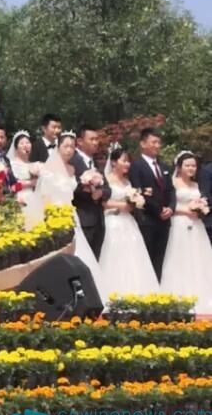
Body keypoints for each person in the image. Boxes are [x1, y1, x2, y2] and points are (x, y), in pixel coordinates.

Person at [26, 132, 108, 302]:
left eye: (72, 147)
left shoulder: (73, 169)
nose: (69, 150)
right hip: (56, 215)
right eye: (65, 146)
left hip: (72, 213)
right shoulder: (48, 169)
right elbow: (43, 195)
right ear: (58, 147)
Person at [98, 147, 160, 297]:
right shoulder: (106, 179)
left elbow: (133, 200)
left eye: (129, 161)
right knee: (115, 255)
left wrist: (136, 201)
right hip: (113, 220)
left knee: (133, 255)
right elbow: (103, 203)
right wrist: (123, 206)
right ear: (114, 162)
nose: (127, 164)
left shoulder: (128, 181)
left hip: (129, 221)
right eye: (124, 161)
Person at [161, 152, 212, 312]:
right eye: (187, 165)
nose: (191, 168)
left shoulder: (196, 185)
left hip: (196, 225)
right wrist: (186, 211)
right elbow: (169, 205)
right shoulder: (173, 183)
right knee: (180, 257)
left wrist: (201, 208)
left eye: (194, 166)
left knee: (198, 257)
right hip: (179, 223)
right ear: (179, 167)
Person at [129, 128, 175, 280]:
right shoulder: (136, 166)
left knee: (160, 258)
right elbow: (138, 191)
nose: (157, 146)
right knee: (147, 257)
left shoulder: (164, 166)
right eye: (153, 142)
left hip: (165, 220)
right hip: (147, 219)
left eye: (159, 143)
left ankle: (158, 287)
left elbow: (171, 190)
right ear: (143, 144)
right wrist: (159, 210)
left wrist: (171, 208)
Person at [71, 126, 108, 260]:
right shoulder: (72, 161)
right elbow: (70, 187)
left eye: (96, 139)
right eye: (91, 139)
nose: (95, 142)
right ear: (80, 141)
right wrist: (86, 189)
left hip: (99, 219)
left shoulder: (96, 163)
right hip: (83, 218)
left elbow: (108, 188)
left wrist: (101, 192)